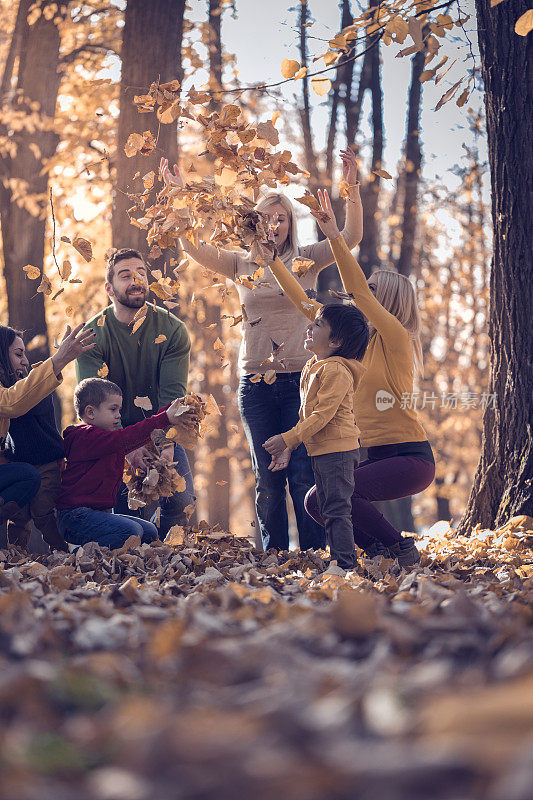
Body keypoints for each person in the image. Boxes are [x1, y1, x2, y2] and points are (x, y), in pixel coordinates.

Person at [160, 149, 363, 552]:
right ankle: (273, 556)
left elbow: (351, 238)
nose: (274, 224)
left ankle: (312, 554)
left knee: (304, 473)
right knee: (267, 477)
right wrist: (178, 197)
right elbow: (192, 247)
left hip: (302, 382)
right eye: (267, 217)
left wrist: (351, 186)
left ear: (290, 223)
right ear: (254, 222)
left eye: (282, 217)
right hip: (255, 383)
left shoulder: (306, 260)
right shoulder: (240, 264)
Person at [267, 190, 436, 566]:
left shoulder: (396, 338)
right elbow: (306, 306)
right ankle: (380, 554)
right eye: (366, 290)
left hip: (409, 456)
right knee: (317, 501)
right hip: (370, 455)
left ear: (386, 301)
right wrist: (274, 261)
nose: (360, 295)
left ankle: (401, 547)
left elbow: (356, 289)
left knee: (343, 496)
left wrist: (335, 238)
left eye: (372, 292)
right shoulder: (350, 345)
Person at [75, 248, 194, 538]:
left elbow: (172, 395)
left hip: (158, 430)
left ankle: (170, 561)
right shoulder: (92, 336)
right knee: (129, 513)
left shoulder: (173, 330)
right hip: (110, 439)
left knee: (180, 498)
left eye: (141, 273)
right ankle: (134, 568)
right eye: (125, 275)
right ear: (109, 288)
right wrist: (127, 447)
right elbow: (94, 404)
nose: (136, 279)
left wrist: (164, 445)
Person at [263, 290, 368, 570]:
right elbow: (305, 413)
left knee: (335, 510)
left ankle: (345, 565)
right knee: (329, 508)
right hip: (323, 450)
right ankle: (341, 560)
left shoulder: (336, 370)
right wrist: (290, 446)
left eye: (319, 324)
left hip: (339, 450)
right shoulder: (314, 365)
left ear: (336, 341)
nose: (310, 326)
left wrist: (288, 437)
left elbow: (322, 416)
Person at [56, 378, 197, 549]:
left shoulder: (107, 438)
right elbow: (127, 438)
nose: (119, 415)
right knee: (131, 532)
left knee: (149, 531)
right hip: (75, 518)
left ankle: (134, 558)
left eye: (119, 409)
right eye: (113, 409)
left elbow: (135, 437)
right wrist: (165, 418)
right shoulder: (85, 437)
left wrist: (173, 408)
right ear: (91, 412)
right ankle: (80, 554)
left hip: (98, 515)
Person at [0, 323, 96, 544]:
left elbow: (26, 398)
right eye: (18, 354)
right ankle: (17, 557)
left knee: (44, 514)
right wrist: (58, 360)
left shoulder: (19, 389)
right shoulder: (12, 394)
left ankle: (61, 552)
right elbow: (15, 402)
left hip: (43, 463)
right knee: (19, 517)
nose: (24, 360)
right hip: (23, 463)